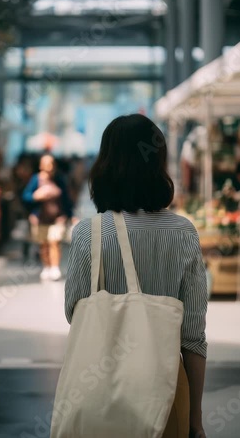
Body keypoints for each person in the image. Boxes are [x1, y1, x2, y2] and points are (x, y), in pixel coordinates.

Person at [65, 114, 207, 438]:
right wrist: (195, 420)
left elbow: (74, 312)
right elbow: (193, 338)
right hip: (167, 390)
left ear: (105, 164)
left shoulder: (89, 234)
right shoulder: (184, 233)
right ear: (159, 164)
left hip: (99, 388)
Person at [23, 153, 74, 281]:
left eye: (51, 163)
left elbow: (66, 199)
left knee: (54, 242)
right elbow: (26, 196)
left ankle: (55, 267)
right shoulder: (36, 179)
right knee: (43, 244)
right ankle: (46, 266)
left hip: (57, 217)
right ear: (41, 165)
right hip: (40, 217)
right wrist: (36, 196)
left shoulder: (59, 179)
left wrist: (70, 215)